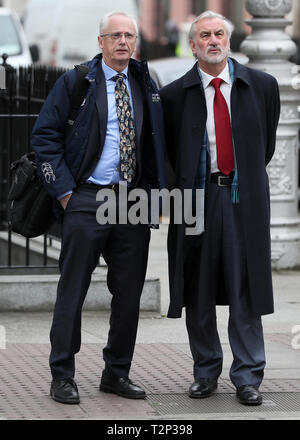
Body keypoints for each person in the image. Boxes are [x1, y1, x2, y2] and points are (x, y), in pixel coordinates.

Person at [31, 11, 166, 404]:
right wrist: (66, 193)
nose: (123, 41)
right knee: (72, 290)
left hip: (132, 200)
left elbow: (157, 142)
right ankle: (62, 374)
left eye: (129, 35)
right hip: (86, 196)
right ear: (101, 42)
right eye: (115, 35)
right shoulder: (76, 81)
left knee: (129, 293)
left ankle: (116, 373)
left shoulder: (145, 82)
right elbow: (45, 137)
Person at [160, 11, 280, 406]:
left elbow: (265, 147)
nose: (213, 40)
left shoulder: (261, 85)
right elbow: (172, 152)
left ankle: (248, 376)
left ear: (228, 40)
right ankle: (205, 371)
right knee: (198, 285)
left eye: (219, 34)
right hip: (197, 199)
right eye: (204, 36)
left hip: (243, 200)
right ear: (193, 45)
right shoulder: (175, 94)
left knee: (244, 284)